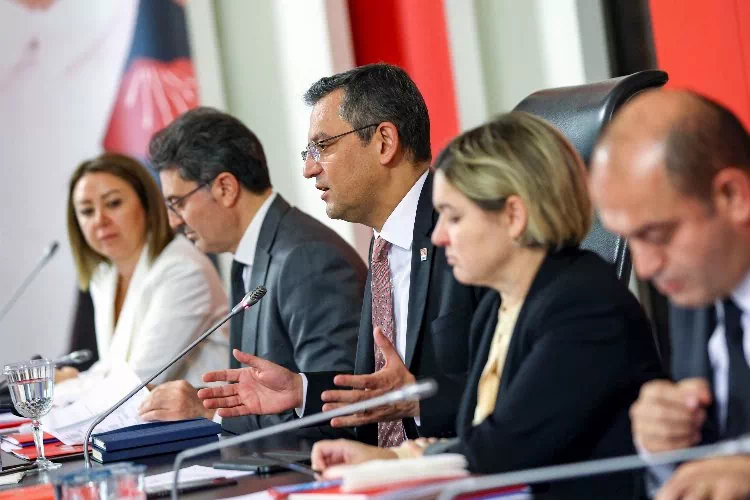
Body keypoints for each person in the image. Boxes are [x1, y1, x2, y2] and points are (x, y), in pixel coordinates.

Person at [309, 112, 665, 498]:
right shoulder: (497, 306)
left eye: (453, 217)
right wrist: (384, 459)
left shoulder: (583, 305)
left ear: (513, 216)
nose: (439, 236)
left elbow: (500, 451)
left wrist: (388, 463)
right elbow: (476, 438)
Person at [198, 63, 484, 445]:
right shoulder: (383, 244)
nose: (308, 168)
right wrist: (301, 391)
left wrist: (416, 400)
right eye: (308, 151)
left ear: (384, 141)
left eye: (323, 146)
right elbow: (377, 394)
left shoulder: (467, 231)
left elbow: (506, 383)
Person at [141, 107, 367, 435]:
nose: (174, 221)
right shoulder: (249, 255)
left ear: (225, 188)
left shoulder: (306, 259)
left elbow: (334, 409)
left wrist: (209, 412)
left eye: (178, 203)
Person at [590, 89, 750, 500]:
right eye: (629, 239)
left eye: (657, 234)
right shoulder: (699, 291)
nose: (645, 267)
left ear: (733, 196)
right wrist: (662, 442)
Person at [65, 153, 228, 387]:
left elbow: (136, 382)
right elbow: (112, 369)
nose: (100, 220)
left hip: (201, 410)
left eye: (113, 203)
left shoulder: (182, 270)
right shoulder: (104, 276)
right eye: (87, 211)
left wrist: (66, 384)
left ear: (147, 205)